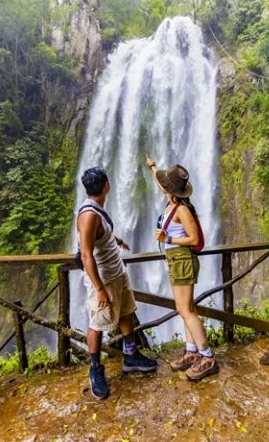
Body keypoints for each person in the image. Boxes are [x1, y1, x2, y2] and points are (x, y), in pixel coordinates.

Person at [77, 167, 158, 399]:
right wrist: (100, 289)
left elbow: (99, 235)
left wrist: (117, 239)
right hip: (103, 280)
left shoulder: (96, 210)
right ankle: (95, 370)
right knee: (97, 324)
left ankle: (130, 356)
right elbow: (86, 255)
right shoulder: (88, 215)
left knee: (126, 313)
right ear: (107, 186)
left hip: (118, 273)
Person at [145, 156, 218, 381]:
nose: (164, 187)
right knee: (186, 308)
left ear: (173, 190)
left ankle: (207, 357)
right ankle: (192, 350)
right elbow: (161, 183)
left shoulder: (182, 210)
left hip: (182, 259)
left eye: (167, 185)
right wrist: (153, 167)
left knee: (185, 309)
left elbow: (194, 237)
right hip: (176, 260)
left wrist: (169, 239)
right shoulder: (172, 202)